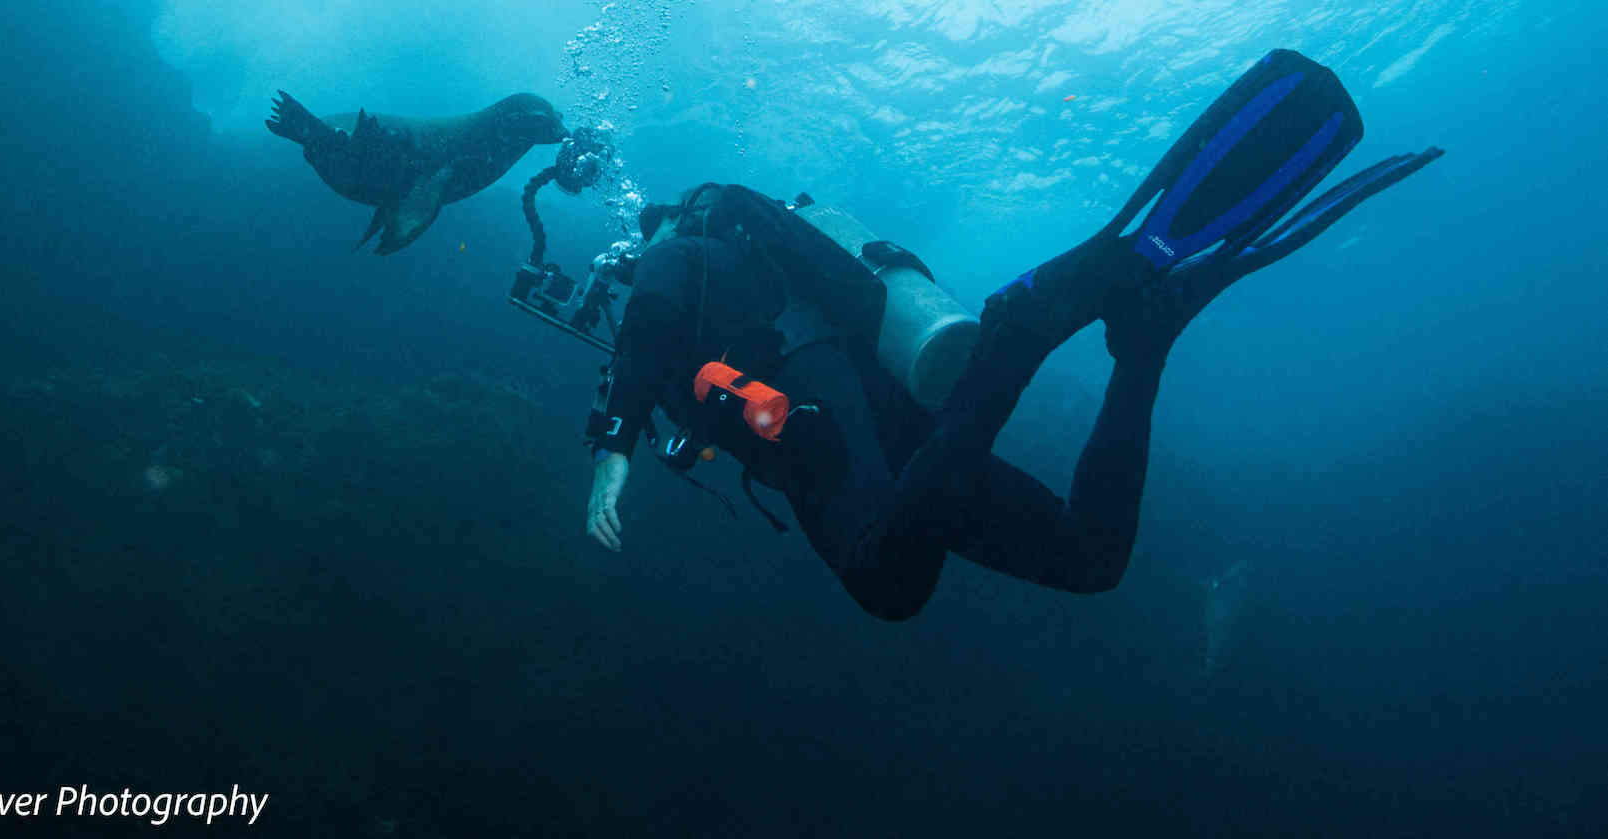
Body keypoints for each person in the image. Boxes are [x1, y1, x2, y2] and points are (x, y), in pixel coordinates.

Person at [582, 51, 1443, 621]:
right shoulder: (744, 256)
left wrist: (613, 450)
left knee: (886, 580)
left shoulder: (678, 251)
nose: (626, 265)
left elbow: (648, 317)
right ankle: (1143, 348)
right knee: (1089, 558)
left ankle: (1017, 336)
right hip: (903, 429)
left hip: (832, 420)